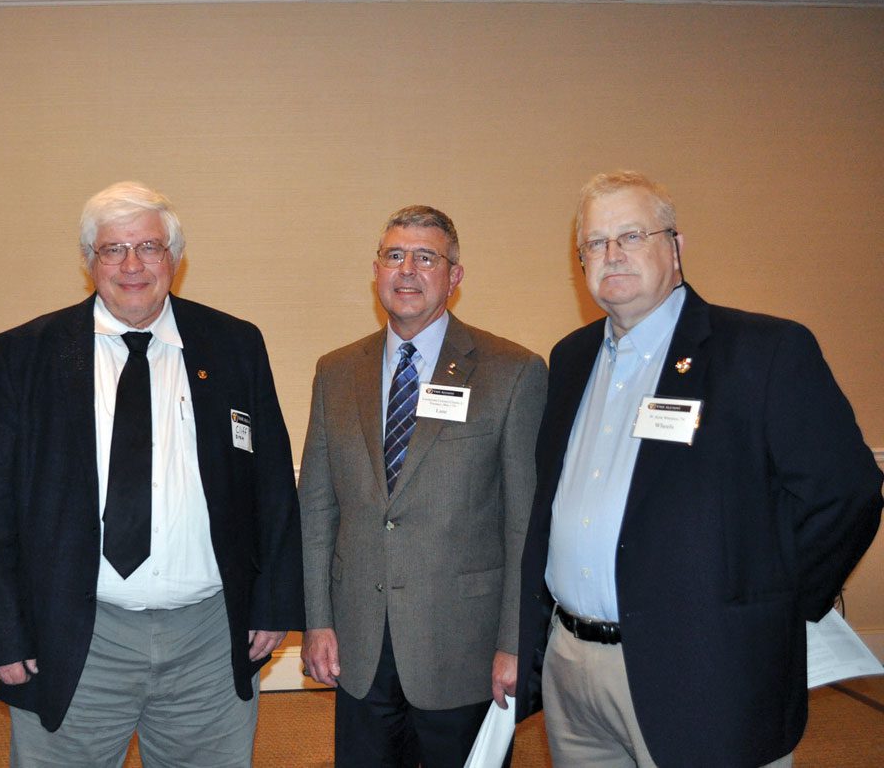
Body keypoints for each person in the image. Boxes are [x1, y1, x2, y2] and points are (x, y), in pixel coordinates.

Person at [515, 171, 883, 767]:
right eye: (594, 243)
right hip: (573, 668)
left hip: (705, 668)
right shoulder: (571, 357)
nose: (612, 255)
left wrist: (766, 607)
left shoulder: (763, 352)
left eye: (631, 235)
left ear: (676, 248)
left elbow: (849, 493)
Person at [0, 181, 304, 767]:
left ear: (174, 257)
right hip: (74, 635)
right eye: (112, 250)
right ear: (88, 261)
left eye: (148, 247)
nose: (131, 265)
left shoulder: (233, 345)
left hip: (206, 637)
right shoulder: (26, 354)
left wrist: (273, 603)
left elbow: (271, 485)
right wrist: (0, 632)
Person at [298, 205, 547, 767]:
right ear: (377, 269)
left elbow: (524, 523)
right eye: (394, 255)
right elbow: (316, 510)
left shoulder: (512, 371)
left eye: (426, 257)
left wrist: (516, 642)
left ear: (454, 276)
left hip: (462, 647)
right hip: (359, 644)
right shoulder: (336, 372)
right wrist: (317, 622)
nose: (407, 270)